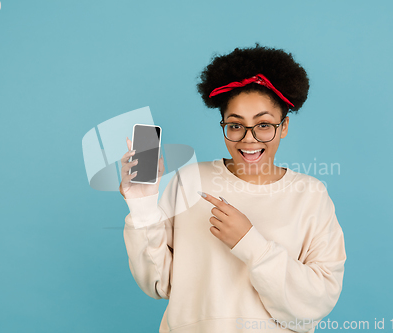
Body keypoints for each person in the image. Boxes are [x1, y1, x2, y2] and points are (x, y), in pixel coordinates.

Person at [119, 43, 346, 333]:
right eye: (236, 125)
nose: (249, 139)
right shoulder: (189, 181)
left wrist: (250, 243)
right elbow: (157, 283)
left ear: (284, 126)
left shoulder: (310, 195)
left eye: (264, 125)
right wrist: (142, 206)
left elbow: (315, 303)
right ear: (224, 125)